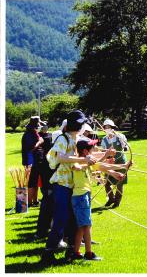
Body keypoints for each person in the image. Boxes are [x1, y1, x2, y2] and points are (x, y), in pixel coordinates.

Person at [41, 110, 97, 263]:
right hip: (62, 184)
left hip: (73, 185)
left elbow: (86, 154)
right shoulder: (63, 138)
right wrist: (84, 160)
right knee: (60, 218)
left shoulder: (76, 138)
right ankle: (48, 252)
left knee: (73, 219)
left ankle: (72, 251)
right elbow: (60, 157)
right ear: (77, 125)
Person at [70, 139, 130, 261]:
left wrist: (123, 166)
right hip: (80, 196)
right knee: (86, 225)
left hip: (83, 195)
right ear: (85, 151)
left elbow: (102, 166)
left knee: (82, 226)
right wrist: (101, 157)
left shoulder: (88, 161)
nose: (94, 149)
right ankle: (88, 253)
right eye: (91, 148)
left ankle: (75, 253)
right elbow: (76, 167)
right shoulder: (76, 161)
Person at [101, 119, 128, 208]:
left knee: (119, 183)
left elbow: (125, 147)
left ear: (112, 127)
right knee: (107, 183)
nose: (107, 128)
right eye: (106, 127)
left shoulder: (120, 136)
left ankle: (117, 201)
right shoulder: (104, 139)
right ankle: (110, 199)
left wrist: (124, 146)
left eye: (109, 127)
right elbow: (103, 152)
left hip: (120, 162)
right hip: (110, 163)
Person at [36, 123, 55, 238]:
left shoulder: (46, 158)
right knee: (47, 209)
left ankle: (42, 231)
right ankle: (42, 232)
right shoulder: (47, 160)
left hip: (48, 187)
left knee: (46, 209)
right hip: (49, 187)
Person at [21, 116, 45, 207]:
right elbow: (31, 148)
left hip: (35, 161)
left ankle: (35, 201)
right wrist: (40, 141)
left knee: (35, 181)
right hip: (31, 161)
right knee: (31, 182)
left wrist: (39, 139)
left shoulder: (33, 132)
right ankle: (29, 202)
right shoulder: (29, 134)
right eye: (38, 125)